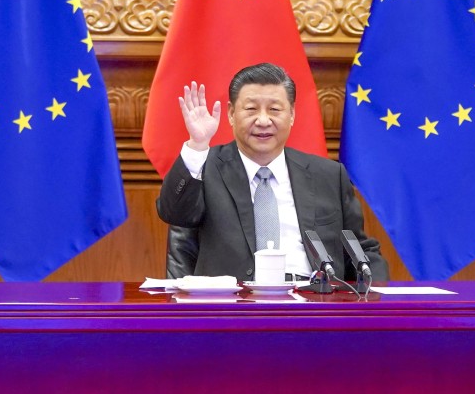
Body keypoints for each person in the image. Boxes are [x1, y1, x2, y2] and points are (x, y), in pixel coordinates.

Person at [157, 62, 388, 283]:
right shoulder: (204, 169)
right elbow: (173, 213)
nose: (263, 120)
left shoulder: (328, 175)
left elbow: (359, 249)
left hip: (313, 298)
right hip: (233, 302)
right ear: (231, 113)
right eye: (251, 109)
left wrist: (379, 297)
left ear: (292, 114)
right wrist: (197, 145)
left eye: (274, 110)